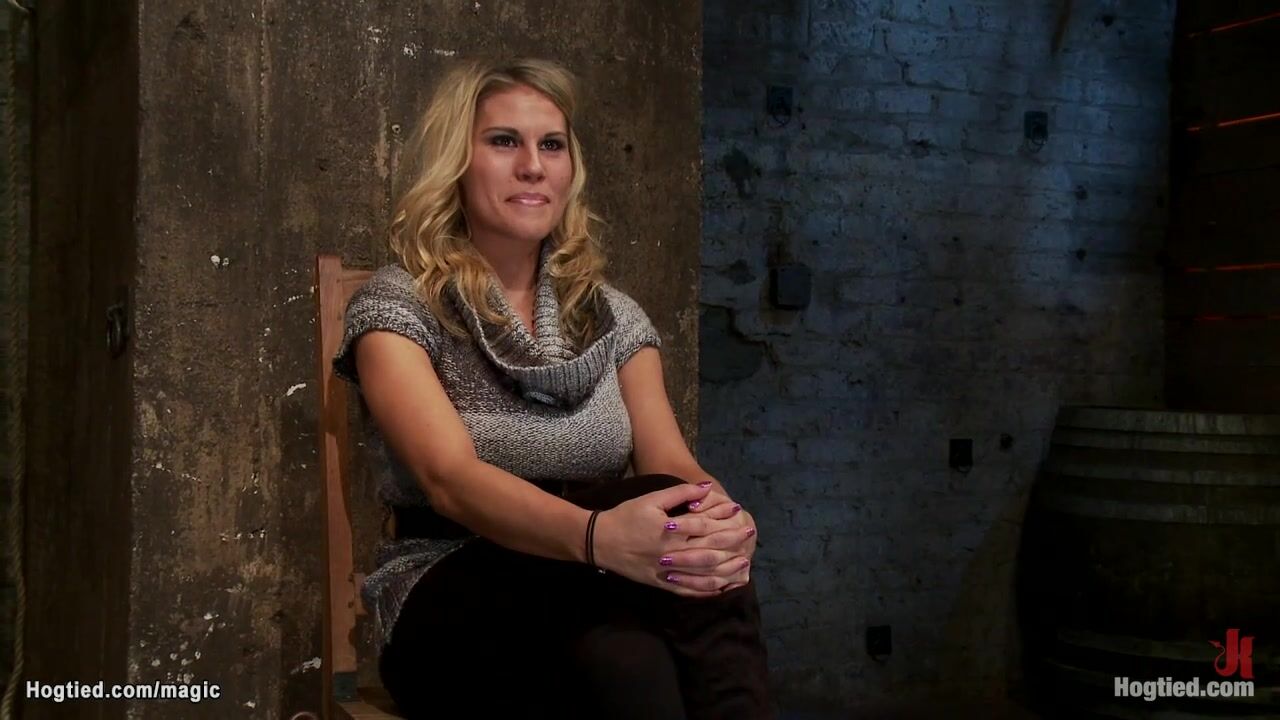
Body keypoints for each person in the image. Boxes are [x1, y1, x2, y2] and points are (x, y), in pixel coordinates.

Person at [332, 57, 775, 719]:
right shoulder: (397, 308)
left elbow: (670, 460)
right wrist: (597, 537)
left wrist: (723, 522)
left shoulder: (615, 316)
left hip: (595, 585)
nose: (533, 166)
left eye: (552, 145)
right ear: (457, 162)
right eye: (503, 141)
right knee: (660, 539)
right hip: (448, 590)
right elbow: (450, 479)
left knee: (634, 660)